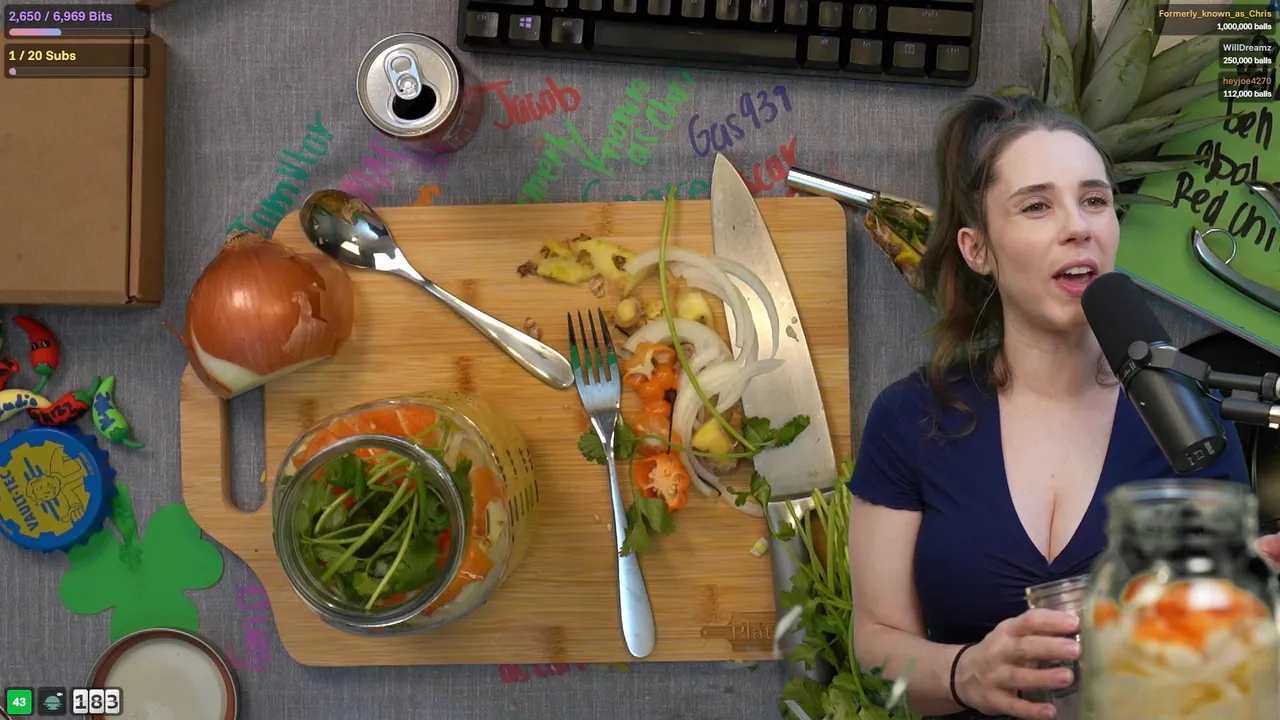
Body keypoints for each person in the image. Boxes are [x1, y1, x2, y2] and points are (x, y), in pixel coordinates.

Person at [844, 92, 1272, 720]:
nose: (1079, 226)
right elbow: (877, 643)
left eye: (1095, 200)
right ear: (977, 249)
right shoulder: (909, 419)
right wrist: (965, 672)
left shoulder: (1191, 415)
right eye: (1037, 206)